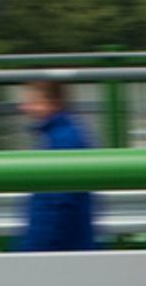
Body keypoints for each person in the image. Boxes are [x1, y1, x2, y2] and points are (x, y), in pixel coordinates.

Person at [9, 78, 99, 253]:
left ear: (53, 104)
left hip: (58, 247)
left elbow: (56, 206)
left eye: (33, 102)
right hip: (66, 245)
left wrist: (32, 249)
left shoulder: (61, 140)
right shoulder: (64, 135)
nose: (24, 108)